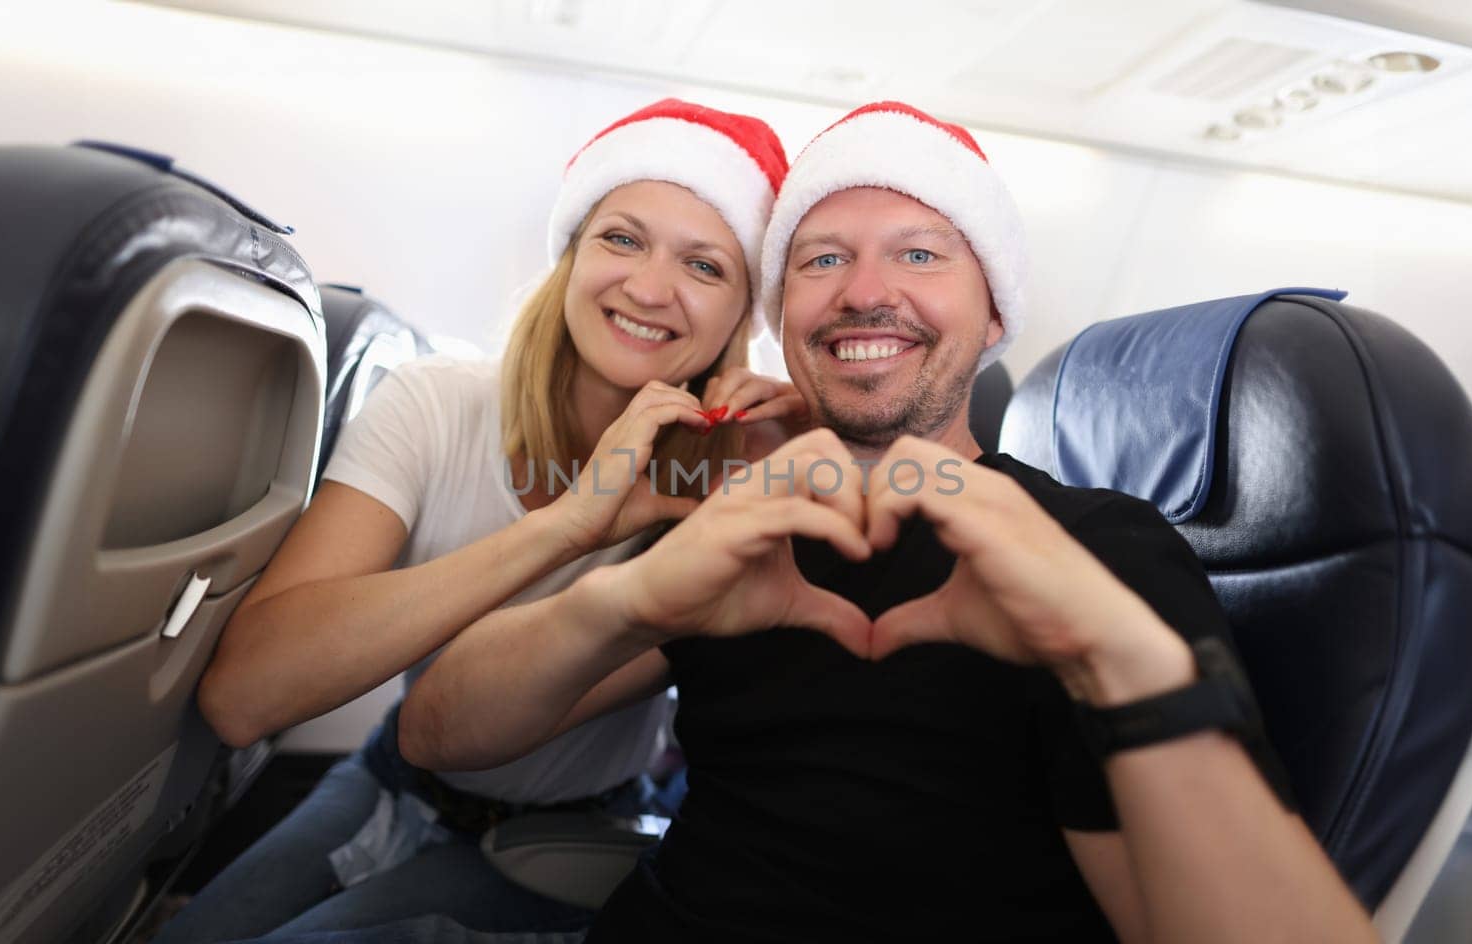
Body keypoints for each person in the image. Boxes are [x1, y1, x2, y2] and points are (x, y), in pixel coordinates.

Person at [386, 101, 1380, 942]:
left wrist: (1111, 654)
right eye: (821, 258)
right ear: (785, 316)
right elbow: (439, 732)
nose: (866, 290)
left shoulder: (1091, 547)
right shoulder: (743, 521)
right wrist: (630, 596)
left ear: (993, 313)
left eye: (918, 252)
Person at [153, 98, 793, 942]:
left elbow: (455, 731)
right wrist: (567, 525)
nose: (648, 287)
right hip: (393, 778)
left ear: (741, 316)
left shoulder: (725, 483)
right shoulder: (434, 406)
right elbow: (244, 700)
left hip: (573, 827)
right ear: (572, 254)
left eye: (705, 267)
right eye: (622, 238)